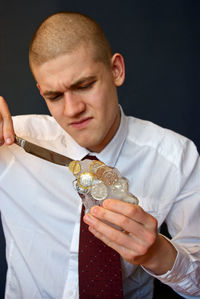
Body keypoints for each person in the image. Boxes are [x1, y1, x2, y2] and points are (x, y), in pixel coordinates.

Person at [0, 11, 199, 299]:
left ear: (116, 70)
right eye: (54, 96)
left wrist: (158, 253)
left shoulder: (177, 158)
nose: (71, 110)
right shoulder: (10, 142)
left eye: (84, 86)